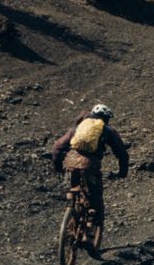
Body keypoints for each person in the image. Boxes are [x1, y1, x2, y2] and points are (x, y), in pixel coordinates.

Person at [49, 104, 128, 250]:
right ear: (106, 118)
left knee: (74, 188)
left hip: (70, 164)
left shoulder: (79, 127)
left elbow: (58, 146)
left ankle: (71, 213)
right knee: (95, 199)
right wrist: (122, 172)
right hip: (90, 166)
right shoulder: (107, 130)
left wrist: (58, 166)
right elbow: (121, 152)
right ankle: (87, 230)